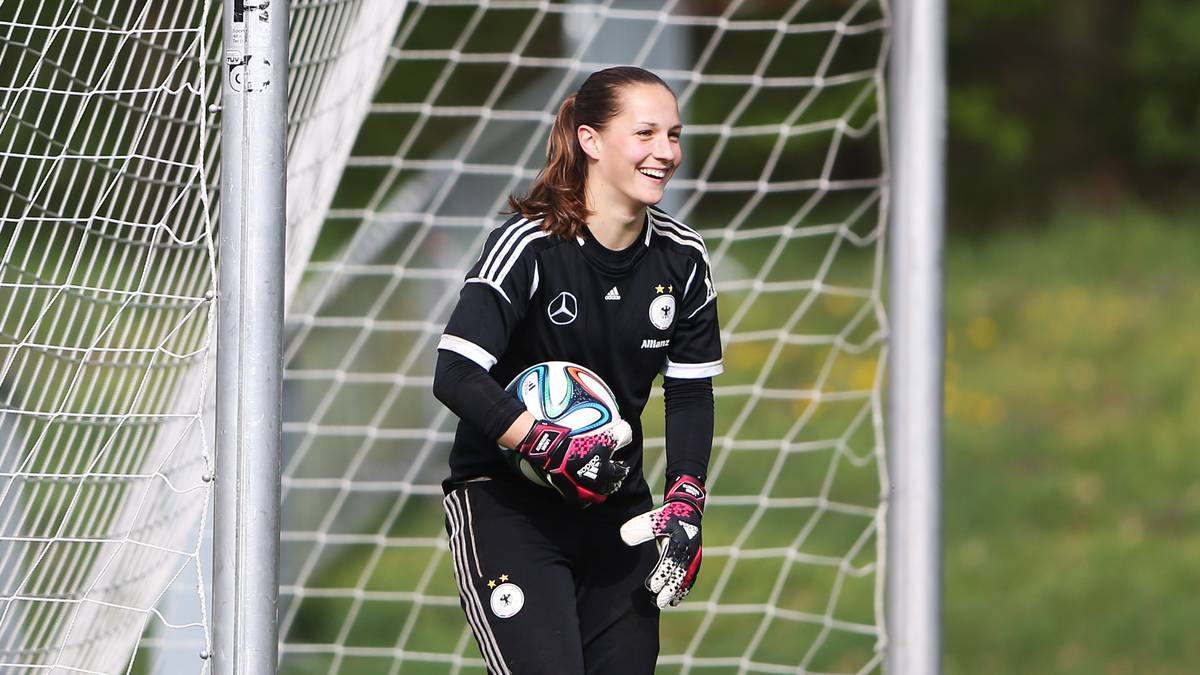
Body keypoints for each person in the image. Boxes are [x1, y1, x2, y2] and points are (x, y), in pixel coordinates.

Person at [431, 66, 722, 675]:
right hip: (508, 509)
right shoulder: (529, 246)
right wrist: (545, 442)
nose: (665, 152)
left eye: (673, 135)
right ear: (590, 141)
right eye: (644, 134)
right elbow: (455, 372)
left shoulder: (684, 259)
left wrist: (686, 502)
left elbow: (690, 394)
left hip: (616, 509)